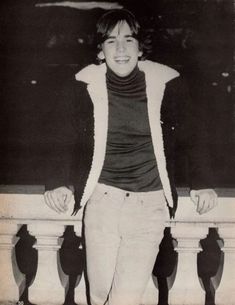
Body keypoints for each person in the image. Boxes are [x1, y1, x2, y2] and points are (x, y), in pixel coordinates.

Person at [44, 9, 217, 305]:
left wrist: (202, 182)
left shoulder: (168, 85)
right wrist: (57, 182)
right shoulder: (83, 86)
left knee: (124, 298)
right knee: (98, 296)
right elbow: (63, 139)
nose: (121, 49)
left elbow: (193, 137)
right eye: (111, 41)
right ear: (101, 51)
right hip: (102, 202)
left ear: (140, 47)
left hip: (148, 206)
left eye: (128, 40)